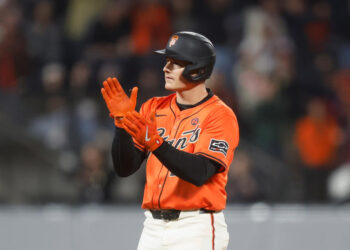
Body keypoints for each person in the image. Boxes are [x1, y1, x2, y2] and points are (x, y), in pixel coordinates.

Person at [101, 31, 239, 250]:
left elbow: (200, 172)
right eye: (167, 62)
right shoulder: (153, 107)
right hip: (152, 227)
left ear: (198, 69)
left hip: (195, 226)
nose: (166, 68)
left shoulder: (220, 115)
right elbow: (124, 168)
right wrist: (122, 124)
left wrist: (156, 142)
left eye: (175, 63)